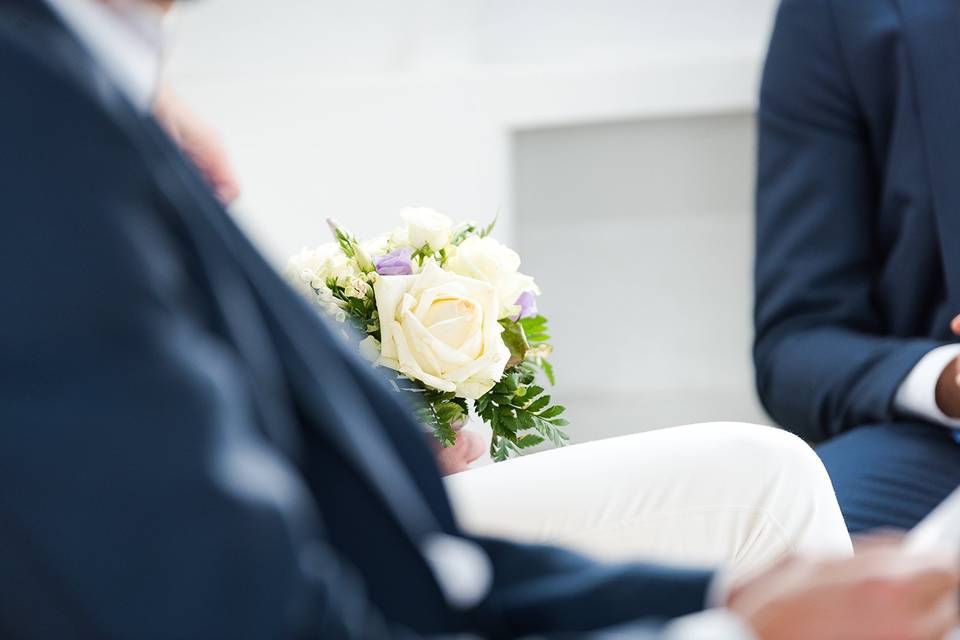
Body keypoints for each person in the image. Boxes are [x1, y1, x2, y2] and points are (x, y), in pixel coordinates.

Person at [1, 0, 957, 637]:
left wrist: (725, 600)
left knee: (769, 483)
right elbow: (250, 597)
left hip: (373, 550)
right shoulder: (41, 113)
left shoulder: (96, 77)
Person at [755, 0, 960, 533]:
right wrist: (946, 379)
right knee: (793, 545)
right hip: (941, 446)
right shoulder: (839, 14)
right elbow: (796, 346)